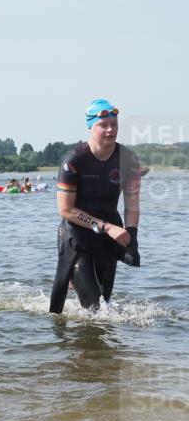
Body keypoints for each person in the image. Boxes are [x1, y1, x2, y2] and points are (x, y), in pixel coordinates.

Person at [49, 99, 141, 313]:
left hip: (108, 238)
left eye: (114, 125)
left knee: (104, 308)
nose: (110, 130)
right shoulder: (74, 160)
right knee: (95, 309)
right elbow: (65, 210)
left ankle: (92, 345)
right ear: (90, 127)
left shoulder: (129, 159)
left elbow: (133, 205)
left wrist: (131, 235)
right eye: (103, 125)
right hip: (77, 235)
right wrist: (107, 227)